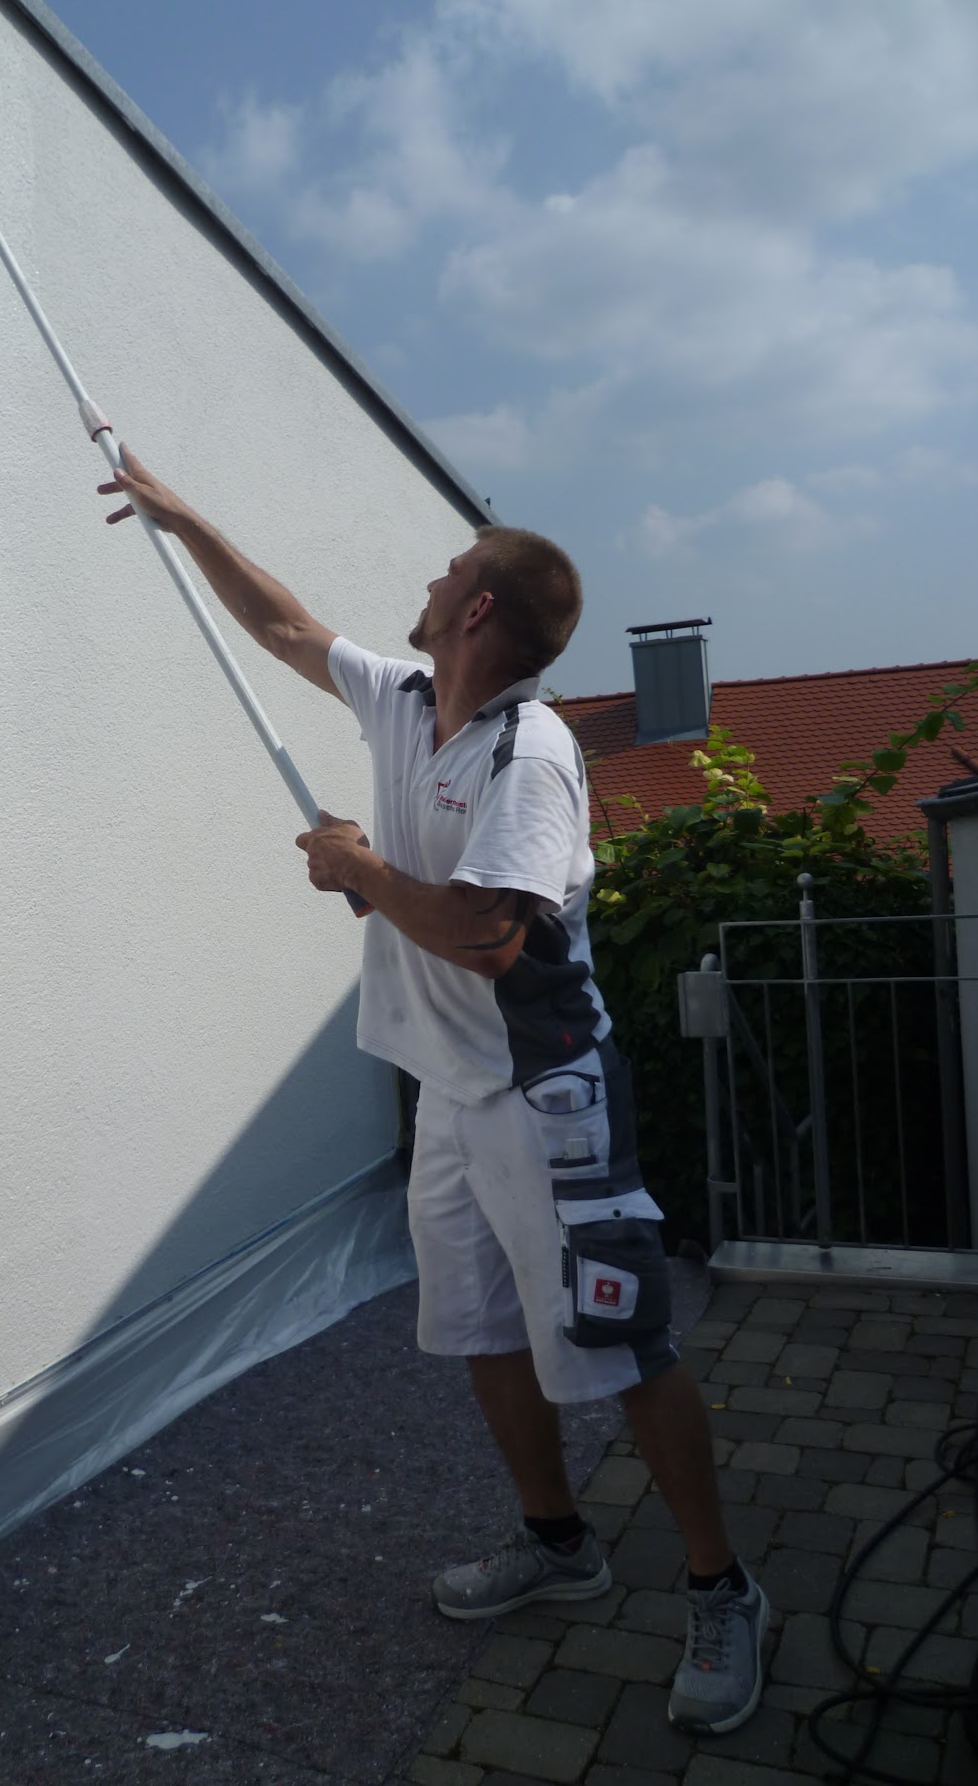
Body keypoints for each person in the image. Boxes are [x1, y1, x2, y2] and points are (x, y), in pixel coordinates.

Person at [98, 447, 769, 1736]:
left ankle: (721, 1587)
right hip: (449, 1094)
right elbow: (286, 627)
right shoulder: (407, 701)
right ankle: (558, 1544)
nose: (429, 574)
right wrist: (182, 517)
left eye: (449, 566)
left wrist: (356, 866)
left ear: (477, 609)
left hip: (547, 1098)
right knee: (480, 1327)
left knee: (626, 1341)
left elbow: (486, 932)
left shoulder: (533, 757)